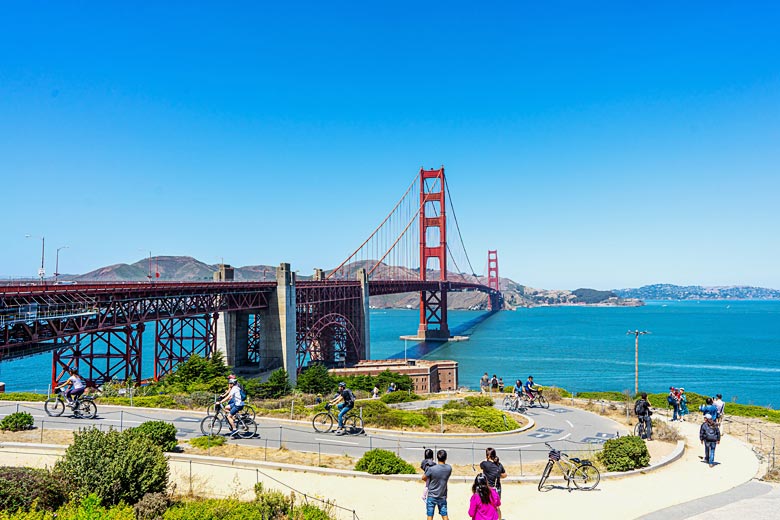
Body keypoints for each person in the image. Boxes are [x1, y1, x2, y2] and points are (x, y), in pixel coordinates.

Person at [422, 449, 452, 520]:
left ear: (437, 458)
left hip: (432, 495)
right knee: (444, 514)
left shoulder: (432, 469)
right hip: (442, 495)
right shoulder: (449, 468)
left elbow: (423, 478)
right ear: (446, 458)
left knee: (430, 515)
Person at [479, 447, 505, 520]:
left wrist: (486, 459)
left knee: (486, 505)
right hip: (497, 487)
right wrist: (497, 474)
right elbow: (504, 474)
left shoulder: (485, 464)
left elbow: (481, 465)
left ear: (488, 456)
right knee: (496, 506)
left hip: (487, 488)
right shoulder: (499, 465)